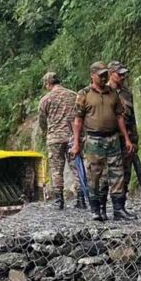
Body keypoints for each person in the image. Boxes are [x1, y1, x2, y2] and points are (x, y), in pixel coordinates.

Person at [71, 61, 136, 221]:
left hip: (113, 138)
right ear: (92, 76)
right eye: (100, 75)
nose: (104, 77)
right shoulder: (84, 94)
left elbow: (120, 117)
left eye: (105, 74)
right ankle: (96, 210)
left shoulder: (113, 93)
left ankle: (118, 209)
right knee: (95, 175)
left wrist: (127, 139)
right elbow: (78, 120)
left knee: (117, 174)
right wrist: (76, 143)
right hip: (94, 139)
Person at [39, 72, 84, 209]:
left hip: (55, 138)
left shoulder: (45, 100)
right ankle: (81, 198)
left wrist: (46, 131)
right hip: (72, 137)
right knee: (76, 167)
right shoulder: (73, 95)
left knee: (56, 169)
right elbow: (80, 115)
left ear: (48, 84)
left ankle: (59, 200)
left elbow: (42, 121)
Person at [102, 61, 138, 207]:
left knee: (125, 173)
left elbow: (132, 118)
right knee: (105, 175)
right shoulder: (103, 92)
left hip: (125, 139)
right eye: (120, 74)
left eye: (124, 74)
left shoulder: (127, 94)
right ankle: (101, 207)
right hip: (108, 139)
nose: (123, 77)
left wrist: (134, 140)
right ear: (111, 74)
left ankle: (120, 206)